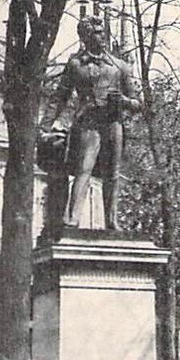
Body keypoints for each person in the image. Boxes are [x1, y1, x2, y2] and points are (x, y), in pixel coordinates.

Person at [46, 14, 142, 230]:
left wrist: (124, 101)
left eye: (102, 32)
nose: (102, 37)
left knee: (113, 173)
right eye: (97, 33)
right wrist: (45, 126)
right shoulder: (75, 65)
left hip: (112, 123)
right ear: (86, 36)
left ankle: (112, 221)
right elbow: (59, 97)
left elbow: (138, 103)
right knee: (83, 169)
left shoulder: (120, 67)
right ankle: (72, 219)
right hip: (87, 123)